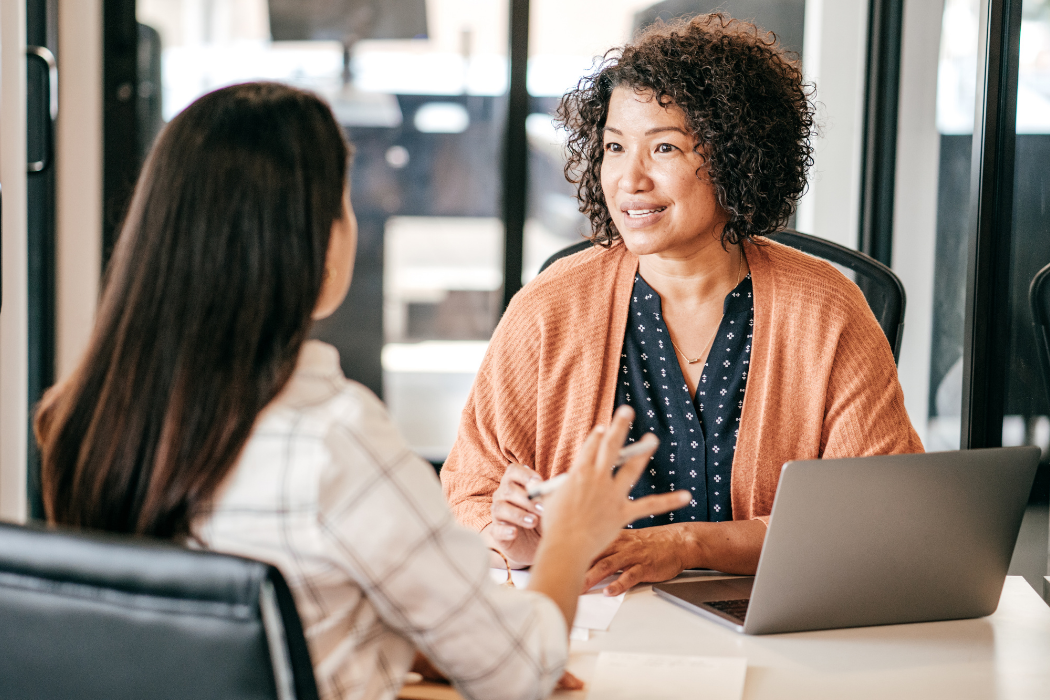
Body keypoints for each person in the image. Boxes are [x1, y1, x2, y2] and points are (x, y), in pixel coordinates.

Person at [34, 82, 687, 700]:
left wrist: (410, 643)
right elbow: (519, 672)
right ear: (314, 243)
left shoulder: (84, 419)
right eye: (345, 203)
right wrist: (569, 539)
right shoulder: (334, 439)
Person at [440, 14, 923, 597]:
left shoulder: (825, 308)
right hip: (593, 614)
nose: (630, 179)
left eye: (664, 147)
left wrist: (688, 544)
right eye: (615, 147)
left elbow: (875, 515)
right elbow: (470, 492)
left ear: (736, 156)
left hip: (769, 619)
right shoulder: (549, 307)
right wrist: (512, 539)